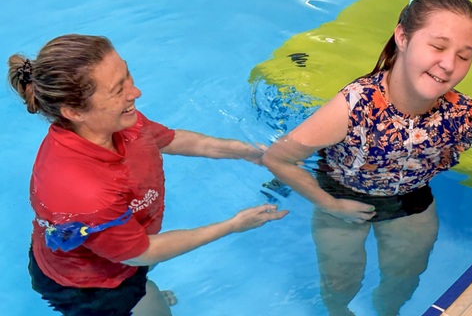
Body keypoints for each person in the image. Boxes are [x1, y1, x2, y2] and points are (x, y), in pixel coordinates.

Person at [263, 0, 472, 316]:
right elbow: (277, 157)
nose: (449, 64)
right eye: (437, 47)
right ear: (402, 37)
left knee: (404, 280)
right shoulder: (354, 107)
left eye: (464, 55)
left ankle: (388, 312)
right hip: (341, 194)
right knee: (340, 283)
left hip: (411, 201)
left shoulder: (461, 115)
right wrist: (330, 204)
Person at [7, 34, 288, 316]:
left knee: (142, 277)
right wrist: (234, 224)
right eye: (118, 90)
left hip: (123, 248)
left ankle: (142, 294)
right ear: (74, 112)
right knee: (152, 305)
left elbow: (170, 139)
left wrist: (241, 150)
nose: (136, 92)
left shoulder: (117, 121)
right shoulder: (83, 190)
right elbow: (145, 252)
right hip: (91, 287)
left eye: (127, 75)